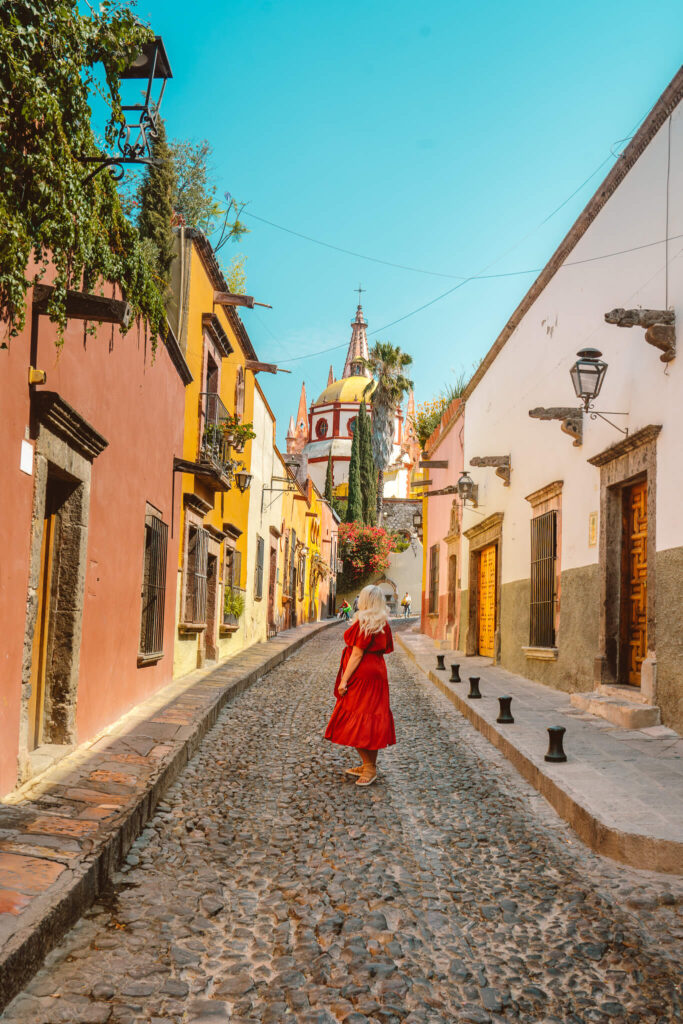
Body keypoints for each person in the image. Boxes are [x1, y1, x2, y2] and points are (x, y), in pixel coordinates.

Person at [325, 584, 396, 787]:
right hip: (378, 673)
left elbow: (357, 654)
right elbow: (386, 648)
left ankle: (369, 767)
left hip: (362, 674)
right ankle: (368, 764)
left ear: (364, 600)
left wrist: (344, 680)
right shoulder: (383, 622)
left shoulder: (364, 622)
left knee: (353, 717)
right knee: (370, 718)